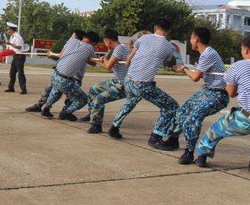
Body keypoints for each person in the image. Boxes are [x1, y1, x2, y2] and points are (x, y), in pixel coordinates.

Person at [195, 35, 250, 174]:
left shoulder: (238, 66)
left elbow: (231, 93)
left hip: (245, 120)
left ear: (246, 50)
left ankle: (202, 157)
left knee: (216, 129)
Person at [109, 17, 183, 149]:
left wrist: (129, 61)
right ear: (169, 31)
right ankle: (156, 137)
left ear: (155, 28)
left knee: (130, 102)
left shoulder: (143, 38)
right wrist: (173, 67)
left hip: (129, 80)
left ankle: (114, 127)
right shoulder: (169, 47)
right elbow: (165, 63)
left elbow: (130, 56)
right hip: (143, 84)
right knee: (171, 107)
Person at [172, 27, 230, 164]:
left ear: (196, 39)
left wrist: (184, 69)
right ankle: (173, 139)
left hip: (218, 95)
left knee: (193, 117)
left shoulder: (208, 54)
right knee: (182, 111)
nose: (190, 41)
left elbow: (195, 77)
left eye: (191, 38)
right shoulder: (207, 53)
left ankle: (189, 151)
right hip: (208, 91)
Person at [40, 31, 100, 121]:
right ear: (94, 43)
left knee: (57, 89)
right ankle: (66, 113)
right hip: (64, 79)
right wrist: (86, 58)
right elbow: (94, 63)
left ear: (84, 37)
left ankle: (46, 109)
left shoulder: (72, 40)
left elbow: (61, 54)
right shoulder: (89, 47)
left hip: (54, 74)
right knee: (83, 99)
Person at [25, 30, 85, 112]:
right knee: (50, 89)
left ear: (75, 36)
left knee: (67, 95)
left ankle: (64, 111)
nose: (71, 36)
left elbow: (61, 55)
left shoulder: (80, 46)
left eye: (72, 35)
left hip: (74, 76)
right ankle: (40, 106)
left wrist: (51, 54)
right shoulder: (74, 45)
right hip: (63, 73)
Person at [83, 28, 130, 134]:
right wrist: (97, 61)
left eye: (104, 41)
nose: (104, 44)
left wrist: (103, 59)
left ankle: (96, 125)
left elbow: (108, 66)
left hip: (122, 84)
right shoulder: (121, 48)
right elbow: (109, 66)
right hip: (116, 80)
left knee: (99, 99)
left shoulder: (119, 49)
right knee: (93, 89)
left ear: (108, 40)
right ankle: (92, 114)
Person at [4, 22, 27, 94]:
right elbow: (11, 47)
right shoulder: (12, 37)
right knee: (12, 73)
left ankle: (24, 89)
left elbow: (19, 47)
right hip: (15, 56)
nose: (7, 31)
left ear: (12, 30)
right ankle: (11, 88)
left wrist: (9, 43)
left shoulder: (18, 36)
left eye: (8, 29)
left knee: (20, 73)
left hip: (20, 56)